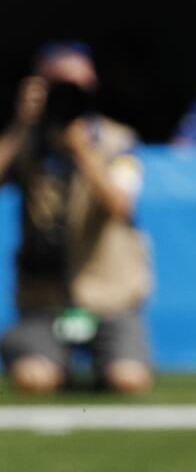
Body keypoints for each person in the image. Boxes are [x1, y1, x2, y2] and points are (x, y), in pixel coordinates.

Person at [0, 42, 153, 394]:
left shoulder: (118, 140)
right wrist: (20, 125)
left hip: (108, 298)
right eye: (59, 85)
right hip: (45, 302)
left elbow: (121, 205)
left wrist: (81, 149)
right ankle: (50, 362)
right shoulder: (26, 142)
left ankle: (103, 365)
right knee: (34, 380)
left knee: (128, 380)